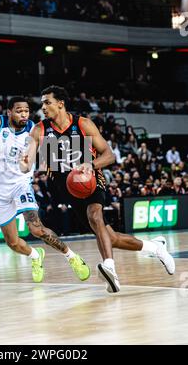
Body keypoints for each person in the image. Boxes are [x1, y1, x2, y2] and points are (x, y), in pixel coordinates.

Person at [20, 85, 175, 293]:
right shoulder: (40, 129)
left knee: (95, 215)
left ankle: (110, 268)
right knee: (110, 237)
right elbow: (28, 157)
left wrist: (90, 165)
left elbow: (109, 155)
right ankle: (156, 248)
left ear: (61, 103)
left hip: (91, 178)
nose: (43, 107)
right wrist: (23, 162)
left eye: (47, 102)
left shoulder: (83, 124)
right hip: (68, 189)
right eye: (42, 103)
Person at [0, 96, 90, 283]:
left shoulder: (36, 130)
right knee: (13, 243)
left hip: (20, 184)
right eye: (19, 111)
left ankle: (72, 257)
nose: (24, 114)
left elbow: (58, 151)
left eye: (26, 111)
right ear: (9, 112)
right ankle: (35, 256)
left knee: (36, 229)